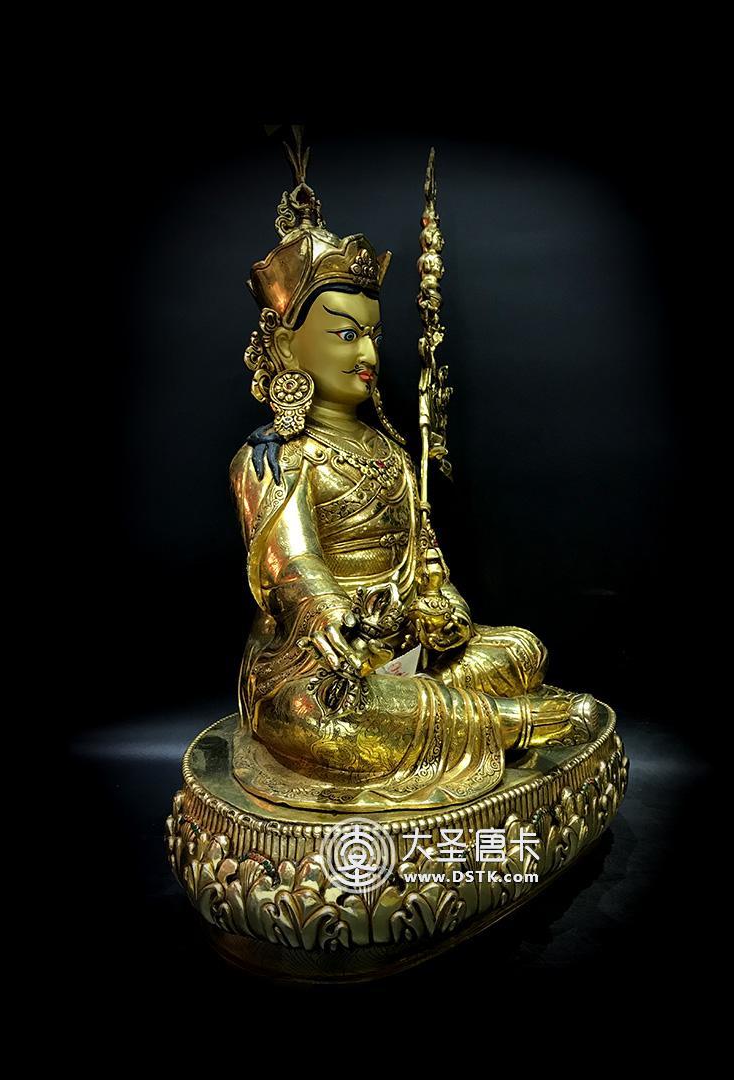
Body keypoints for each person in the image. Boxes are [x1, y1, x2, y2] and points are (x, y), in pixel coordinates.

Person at [229, 146, 601, 812]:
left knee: (519, 652)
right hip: (319, 661)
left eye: (373, 335)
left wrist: (444, 611)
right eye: (345, 335)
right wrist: (341, 618)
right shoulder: (274, 455)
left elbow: (426, 562)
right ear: (286, 346)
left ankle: (450, 708)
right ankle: (508, 725)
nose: (368, 353)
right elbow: (292, 568)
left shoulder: (390, 450)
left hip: (407, 649)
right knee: (329, 716)